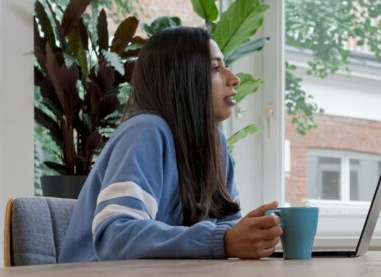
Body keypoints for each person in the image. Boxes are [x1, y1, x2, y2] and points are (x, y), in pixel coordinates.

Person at [59, 27, 282, 262]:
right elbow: (116, 235)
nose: (234, 79)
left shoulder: (215, 145)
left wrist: (246, 236)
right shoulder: (146, 131)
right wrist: (221, 241)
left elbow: (226, 226)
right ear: (183, 79)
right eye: (216, 68)